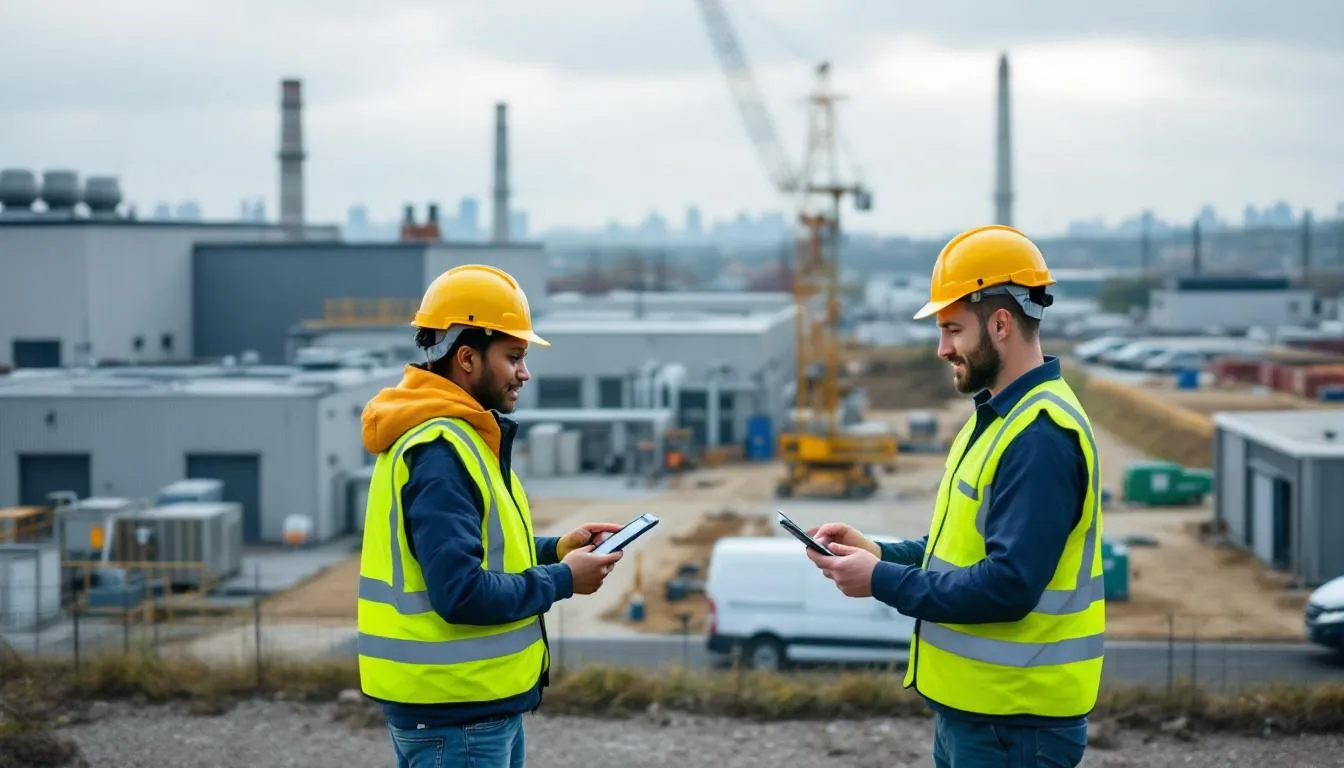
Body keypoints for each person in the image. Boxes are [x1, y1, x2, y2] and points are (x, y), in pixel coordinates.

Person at [805, 225, 1103, 767]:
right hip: (979, 717)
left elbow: (1008, 586)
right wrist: (878, 552)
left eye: (952, 329)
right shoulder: (998, 418)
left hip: (1014, 725)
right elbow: (956, 548)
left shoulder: (1039, 436)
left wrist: (879, 582)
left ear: (1001, 323)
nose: (942, 348)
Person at [356, 263, 626, 768]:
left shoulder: (460, 438)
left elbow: (478, 552)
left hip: (473, 709)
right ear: (466, 357)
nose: (525, 372)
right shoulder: (441, 453)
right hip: (455, 717)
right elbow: (460, 591)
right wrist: (563, 579)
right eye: (514, 357)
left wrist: (556, 550)